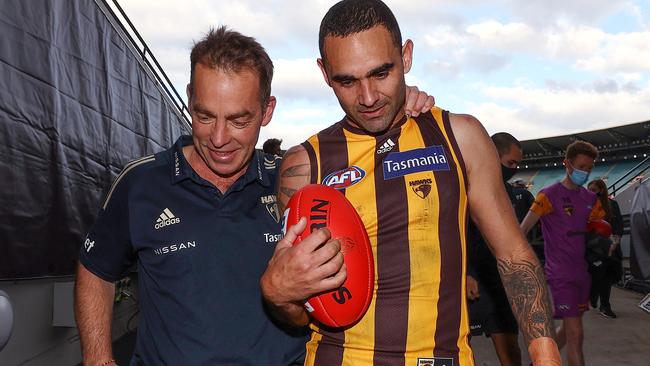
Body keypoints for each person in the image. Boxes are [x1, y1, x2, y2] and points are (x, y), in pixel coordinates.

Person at [73, 25, 435, 365]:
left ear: (267, 111)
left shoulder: (294, 186)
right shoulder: (141, 183)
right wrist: (98, 358)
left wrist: (400, 114)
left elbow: (372, 176)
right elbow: (96, 268)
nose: (218, 138)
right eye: (204, 115)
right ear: (189, 99)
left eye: (239, 120)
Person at [261, 1, 560, 365]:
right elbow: (302, 313)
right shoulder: (303, 167)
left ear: (406, 57)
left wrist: (544, 351)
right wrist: (281, 296)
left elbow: (513, 255)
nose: (368, 97)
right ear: (324, 73)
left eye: (381, 73)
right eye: (347, 81)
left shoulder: (460, 137)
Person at [521, 140, 605, 366]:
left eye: (589, 168)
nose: (585, 172)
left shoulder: (591, 199)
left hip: (583, 274)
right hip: (560, 275)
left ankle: (538, 362)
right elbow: (523, 230)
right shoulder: (547, 195)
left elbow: (599, 231)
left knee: (568, 330)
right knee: (577, 335)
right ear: (567, 164)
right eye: (581, 167)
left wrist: (602, 238)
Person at [467, 133, 526, 366]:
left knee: (511, 353)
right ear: (492, 155)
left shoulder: (512, 194)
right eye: (511, 163)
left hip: (502, 284)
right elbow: (455, 234)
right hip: (472, 285)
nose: (514, 169)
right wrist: (467, 272)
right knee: (461, 351)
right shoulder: (464, 188)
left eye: (518, 164)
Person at [587, 179, 623, 318]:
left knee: (608, 276)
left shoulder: (612, 205)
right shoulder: (585, 207)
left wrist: (615, 241)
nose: (590, 193)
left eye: (593, 190)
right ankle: (593, 292)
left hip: (609, 246)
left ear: (601, 190)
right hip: (592, 247)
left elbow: (618, 225)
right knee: (596, 275)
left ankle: (605, 305)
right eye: (588, 190)